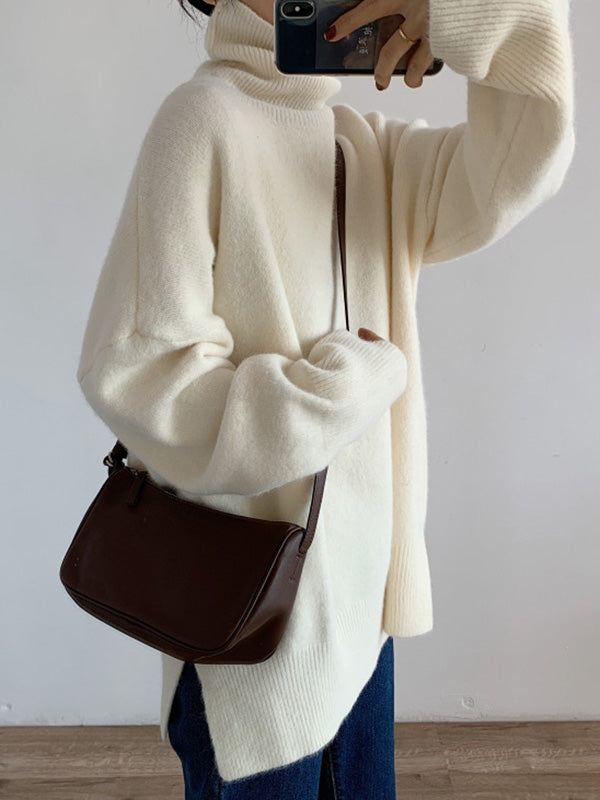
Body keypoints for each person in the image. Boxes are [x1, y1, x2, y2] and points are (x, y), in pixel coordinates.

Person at [75, 0, 575, 795]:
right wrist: (347, 387)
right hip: (249, 630)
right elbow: (141, 371)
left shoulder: (360, 147)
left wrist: (469, 15)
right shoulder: (200, 119)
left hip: (358, 624)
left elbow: (521, 158)